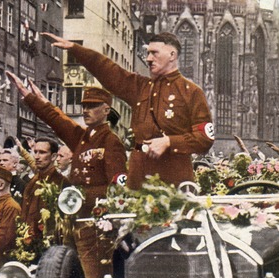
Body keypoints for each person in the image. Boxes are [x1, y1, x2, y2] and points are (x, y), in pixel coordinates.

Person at [43, 31, 214, 189]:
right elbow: (109, 71)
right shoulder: (140, 87)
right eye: (147, 53)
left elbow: (205, 138)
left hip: (174, 180)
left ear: (172, 55)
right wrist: (75, 49)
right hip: (138, 178)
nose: (148, 58)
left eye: (154, 53)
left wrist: (169, 142)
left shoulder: (191, 92)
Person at [8, 72, 126, 278]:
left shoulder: (111, 141)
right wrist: (30, 98)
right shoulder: (83, 138)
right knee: (71, 277)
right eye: (85, 106)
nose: (86, 110)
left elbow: (117, 186)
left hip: (95, 223)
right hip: (74, 221)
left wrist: (97, 207)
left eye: (92, 106)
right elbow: (57, 120)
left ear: (106, 110)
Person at [21, 137, 68, 242]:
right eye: (35, 152)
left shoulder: (62, 183)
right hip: (28, 240)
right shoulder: (33, 181)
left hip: (49, 242)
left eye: (42, 152)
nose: (37, 157)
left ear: (53, 156)